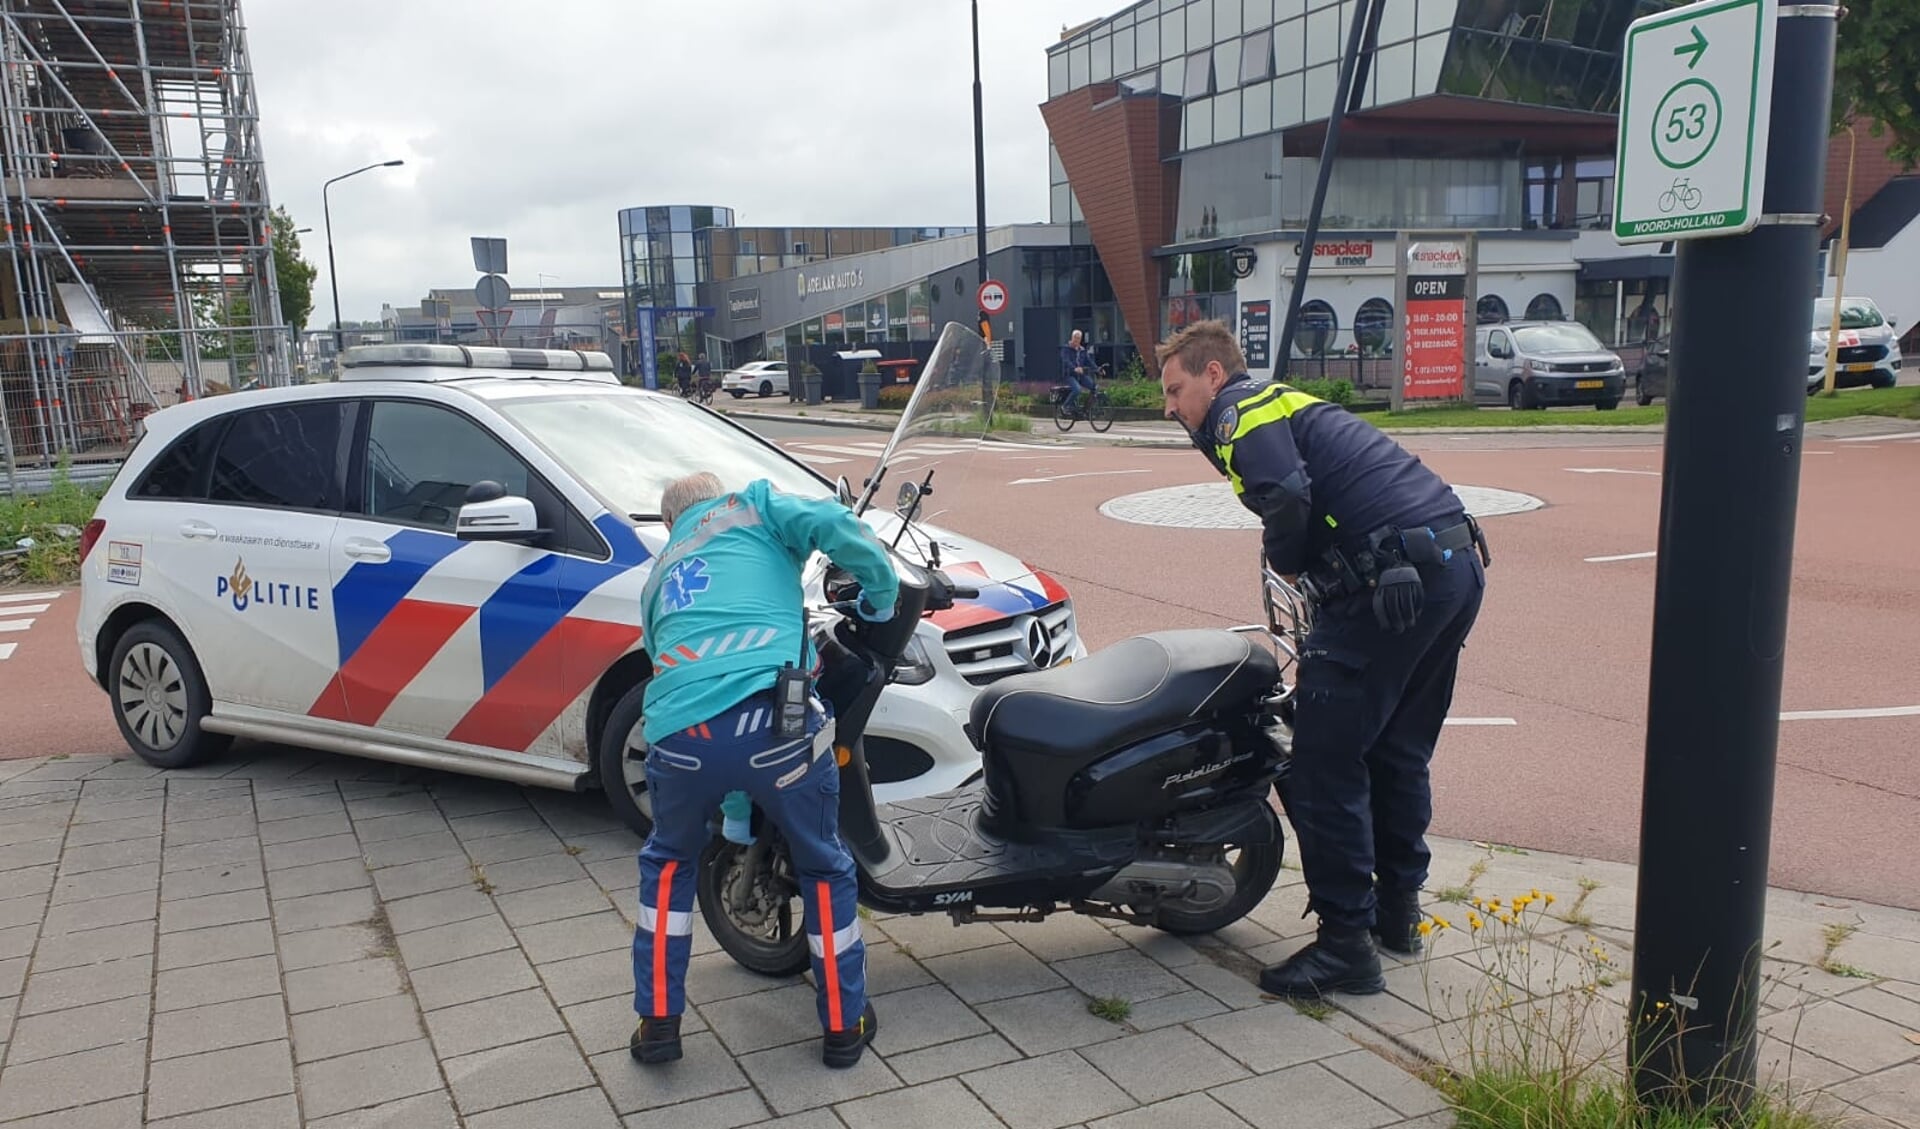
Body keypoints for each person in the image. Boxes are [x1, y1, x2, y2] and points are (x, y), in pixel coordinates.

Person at [1155, 319, 1489, 999]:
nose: (1169, 407)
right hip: (1452, 567)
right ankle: (1397, 915)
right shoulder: (1285, 402)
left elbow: (1287, 493)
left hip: (1388, 585)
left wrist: (1295, 562)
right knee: (1396, 750)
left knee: (1320, 766)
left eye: (1175, 388)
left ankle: (1344, 947)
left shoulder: (1238, 411)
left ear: (1213, 374)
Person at [630, 471, 899, 1069]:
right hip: (774, 726)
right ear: (714, 498)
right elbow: (834, 524)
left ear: (673, 522)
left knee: (667, 867)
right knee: (825, 866)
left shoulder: (657, 578)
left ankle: (657, 1026)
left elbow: (689, 688)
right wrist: (883, 593)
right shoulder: (751, 505)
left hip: (677, 739)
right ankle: (843, 1026)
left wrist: (734, 823)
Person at [1060, 329, 1097, 415]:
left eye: (1079, 338)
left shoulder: (1082, 350)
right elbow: (1066, 361)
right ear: (1072, 338)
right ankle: (1065, 406)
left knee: (1094, 387)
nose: (1077, 340)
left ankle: (1087, 409)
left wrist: (1097, 369)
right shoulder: (1066, 349)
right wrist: (1074, 368)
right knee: (1077, 390)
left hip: (1080, 375)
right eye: (1075, 338)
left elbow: (1089, 361)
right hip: (1069, 375)